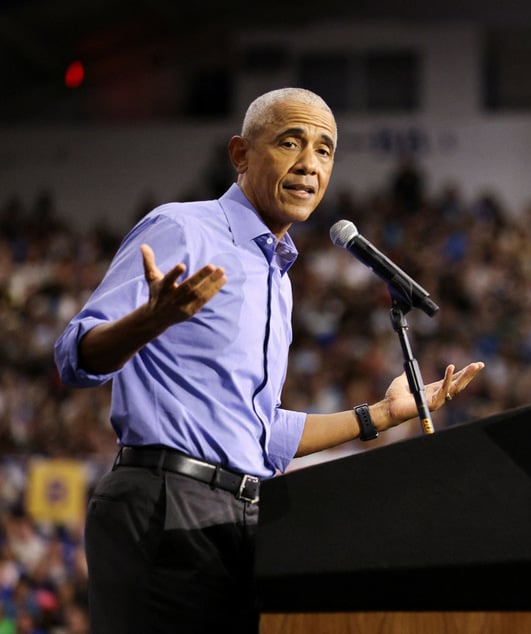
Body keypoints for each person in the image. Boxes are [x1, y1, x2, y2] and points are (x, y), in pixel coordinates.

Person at [53, 87, 484, 633]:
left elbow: (263, 433)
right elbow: (74, 355)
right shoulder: (184, 228)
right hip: (164, 505)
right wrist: (150, 320)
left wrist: (383, 414)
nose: (309, 164)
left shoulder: (277, 279)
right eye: (290, 142)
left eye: (325, 150)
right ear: (240, 155)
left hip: (246, 516)